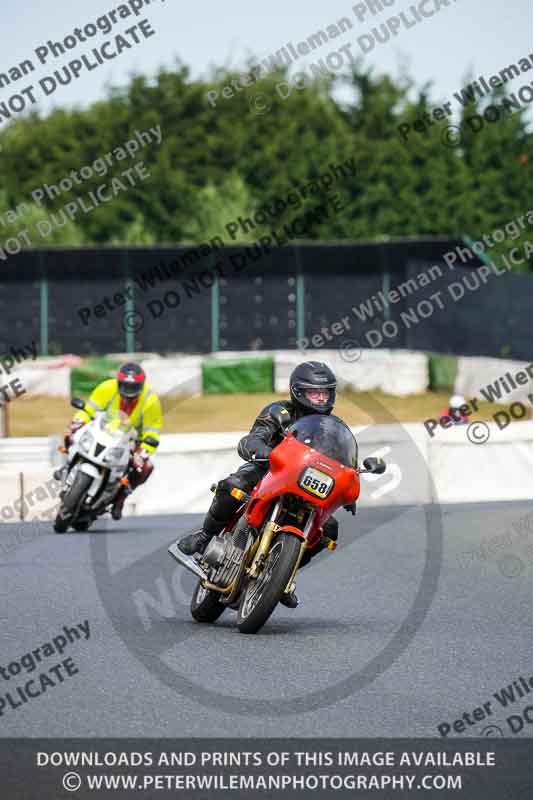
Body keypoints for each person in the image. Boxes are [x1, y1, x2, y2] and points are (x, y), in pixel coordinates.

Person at [178, 361, 354, 608]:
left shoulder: (334, 427)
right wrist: (258, 448)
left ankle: (281, 576)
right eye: (315, 393)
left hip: (306, 484)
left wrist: (348, 487)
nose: (321, 398)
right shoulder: (278, 412)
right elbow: (256, 436)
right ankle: (204, 536)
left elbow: (343, 461)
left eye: (325, 393)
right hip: (269, 470)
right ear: (298, 392)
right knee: (233, 485)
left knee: (329, 530)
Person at [65, 362, 162, 520]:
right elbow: (89, 409)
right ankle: (66, 466)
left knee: (145, 468)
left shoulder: (151, 401)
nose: (129, 392)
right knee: (71, 434)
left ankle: (120, 498)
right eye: (125, 386)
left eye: (133, 387)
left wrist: (143, 451)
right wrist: (78, 421)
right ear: (118, 383)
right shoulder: (107, 388)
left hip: (130, 440)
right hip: (102, 431)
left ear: (142, 385)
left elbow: (153, 431)